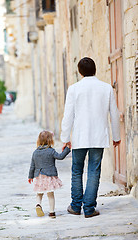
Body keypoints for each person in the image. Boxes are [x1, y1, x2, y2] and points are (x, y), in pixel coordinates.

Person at [61, 57, 121, 218]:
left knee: (76, 171)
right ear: (95, 70)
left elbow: (68, 115)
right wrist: (116, 136)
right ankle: (89, 208)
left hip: (80, 137)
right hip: (98, 136)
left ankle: (75, 206)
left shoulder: (74, 89)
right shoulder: (106, 88)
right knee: (94, 171)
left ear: (79, 72)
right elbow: (114, 114)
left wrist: (65, 137)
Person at [28, 130, 70, 218]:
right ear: (50, 140)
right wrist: (67, 149)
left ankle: (38, 204)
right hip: (49, 176)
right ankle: (51, 212)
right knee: (50, 194)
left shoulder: (35, 152)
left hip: (39, 176)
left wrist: (30, 176)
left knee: (39, 193)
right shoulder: (51, 151)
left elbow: (32, 165)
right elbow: (60, 156)